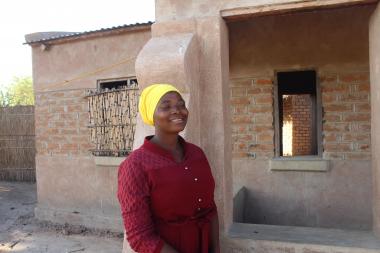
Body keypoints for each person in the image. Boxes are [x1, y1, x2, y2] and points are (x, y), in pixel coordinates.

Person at [117, 84, 220, 253]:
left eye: (181, 105)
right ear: (152, 114)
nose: (177, 110)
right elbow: (139, 237)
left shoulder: (197, 154)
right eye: (166, 106)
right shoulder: (135, 165)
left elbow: (210, 208)